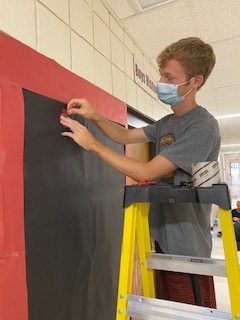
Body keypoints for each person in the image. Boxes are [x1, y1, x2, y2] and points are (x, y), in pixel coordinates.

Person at [60, 37, 220, 307]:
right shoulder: (167, 123)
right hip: (162, 235)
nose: (161, 83)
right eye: (161, 75)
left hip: (187, 244)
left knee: (189, 309)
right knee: (167, 308)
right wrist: (95, 115)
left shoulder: (202, 126)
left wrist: (93, 145)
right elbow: (124, 135)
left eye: (170, 77)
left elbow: (146, 172)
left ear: (196, 81)